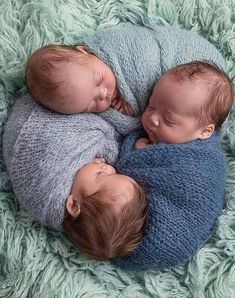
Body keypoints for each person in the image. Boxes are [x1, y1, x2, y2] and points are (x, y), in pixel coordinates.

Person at [113, 61, 234, 269]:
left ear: (205, 131)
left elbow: (130, 170)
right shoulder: (173, 137)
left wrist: (138, 151)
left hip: (164, 233)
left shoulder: (202, 164)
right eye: (151, 105)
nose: (152, 119)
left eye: (168, 120)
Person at [3, 94, 147, 261]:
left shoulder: (49, 196)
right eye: (115, 172)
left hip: (32, 125)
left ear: (73, 204)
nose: (108, 166)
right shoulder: (82, 189)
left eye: (100, 174)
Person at [25, 23, 227, 135]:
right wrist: (126, 104)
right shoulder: (97, 93)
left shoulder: (113, 47)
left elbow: (140, 61)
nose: (104, 95)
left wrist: (129, 92)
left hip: (189, 57)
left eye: (98, 80)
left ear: (85, 52)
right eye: (91, 104)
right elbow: (125, 124)